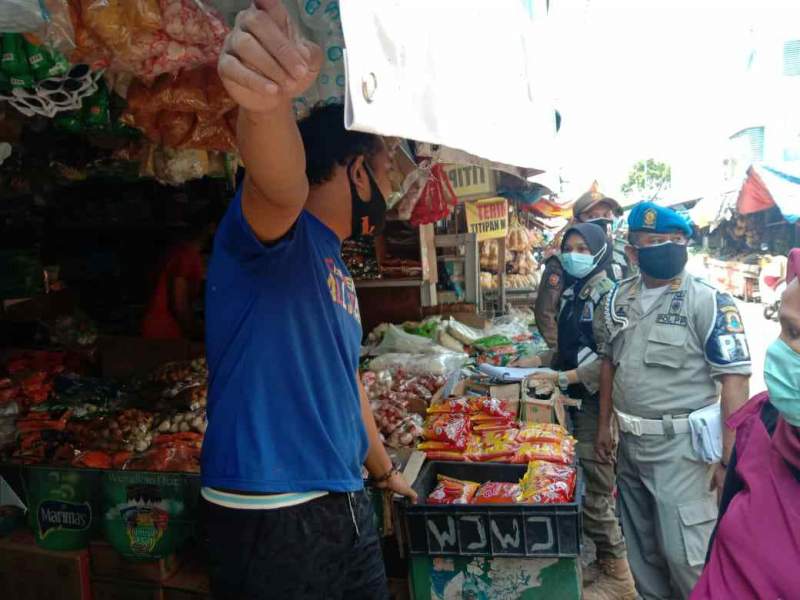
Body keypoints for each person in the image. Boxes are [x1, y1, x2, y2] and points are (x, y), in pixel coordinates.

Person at [201, 4, 416, 599]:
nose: (391, 190)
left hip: (340, 500)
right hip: (272, 510)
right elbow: (278, 178)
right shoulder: (278, 229)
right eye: (383, 171)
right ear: (353, 171)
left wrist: (384, 471)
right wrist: (267, 104)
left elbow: (345, 382)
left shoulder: (335, 265)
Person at [594, 202, 752, 600]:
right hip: (630, 446)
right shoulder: (619, 299)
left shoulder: (709, 301)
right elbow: (609, 362)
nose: (666, 247)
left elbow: (734, 380)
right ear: (633, 252)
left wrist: (728, 460)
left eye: (673, 240)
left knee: (687, 558)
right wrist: (603, 425)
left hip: (682, 451)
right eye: (653, 242)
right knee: (643, 555)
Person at [515, 223, 636, 600]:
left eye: (584, 247)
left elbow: (607, 360)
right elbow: (569, 347)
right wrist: (537, 359)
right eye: (570, 246)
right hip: (577, 401)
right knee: (583, 489)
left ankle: (621, 578)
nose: (575, 253)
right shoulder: (572, 291)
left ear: (600, 252)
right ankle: (602, 563)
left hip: (595, 406)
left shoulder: (605, 296)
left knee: (597, 495)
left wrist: (561, 377)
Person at [690, 276, 800, 599]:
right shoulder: (764, 420)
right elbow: (720, 544)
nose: (776, 349)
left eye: (794, 333)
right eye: (782, 328)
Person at [534, 184, 630, 349]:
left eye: (606, 214)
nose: (601, 220)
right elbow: (545, 312)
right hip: (576, 355)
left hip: (616, 349)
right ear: (577, 221)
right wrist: (561, 352)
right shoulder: (564, 260)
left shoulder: (622, 255)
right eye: (592, 215)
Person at [141, 204, 219, 340]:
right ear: (212, 228)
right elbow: (180, 306)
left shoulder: (177, 249)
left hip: (155, 330)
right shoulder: (187, 256)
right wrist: (197, 333)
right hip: (164, 333)